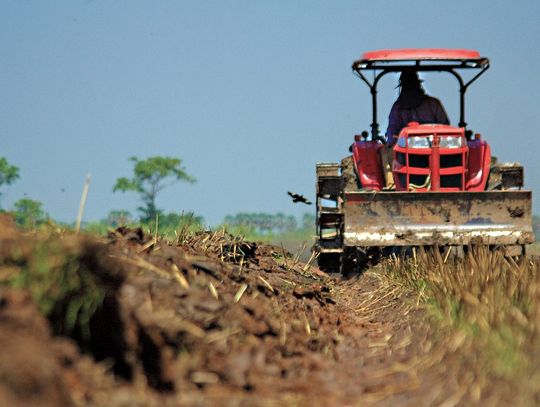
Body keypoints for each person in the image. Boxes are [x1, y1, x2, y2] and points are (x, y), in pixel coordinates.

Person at [385, 71, 449, 145]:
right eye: (407, 87)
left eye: (412, 86)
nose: (410, 90)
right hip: (405, 147)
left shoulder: (433, 104)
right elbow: (392, 131)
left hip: (433, 145)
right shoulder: (398, 108)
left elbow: (445, 128)